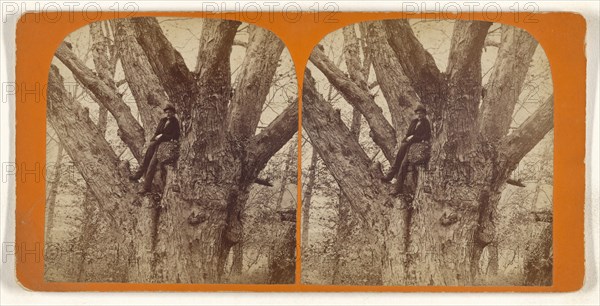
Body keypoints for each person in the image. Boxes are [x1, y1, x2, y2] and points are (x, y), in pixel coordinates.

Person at [129, 104, 180, 193]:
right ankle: (137, 175)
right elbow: (157, 132)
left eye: (170, 112)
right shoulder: (163, 120)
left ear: (173, 113)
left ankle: (146, 187)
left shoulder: (175, 123)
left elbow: (175, 136)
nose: (168, 114)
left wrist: (163, 136)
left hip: (163, 146)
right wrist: (154, 140)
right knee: (145, 160)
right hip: (155, 143)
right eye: (167, 112)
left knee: (152, 165)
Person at [382, 104, 431, 196]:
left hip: (414, 147)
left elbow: (426, 136)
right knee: (397, 160)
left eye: (421, 113)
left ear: (424, 114)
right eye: (418, 113)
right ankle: (389, 176)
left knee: (404, 165)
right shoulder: (414, 122)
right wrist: (406, 139)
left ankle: (397, 189)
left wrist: (414, 137)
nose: (419, 115)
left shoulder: (426, 123)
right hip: (406, 144)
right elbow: (408, 133)